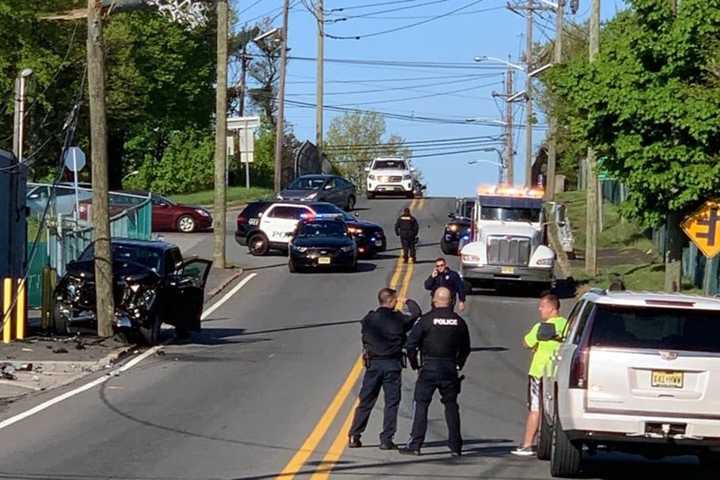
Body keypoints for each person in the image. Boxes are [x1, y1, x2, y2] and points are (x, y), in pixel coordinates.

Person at [399, 287, 471, 457]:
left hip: (429, 367)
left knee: (421, 405)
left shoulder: (426, 321)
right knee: (451, 406)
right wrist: (458, 364)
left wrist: (415, 364)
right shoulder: (459, 321)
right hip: (449, 368)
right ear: (451, 301)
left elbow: (411, 345)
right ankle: (455, 446)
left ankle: (416, 444)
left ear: (434, 300)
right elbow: (466, 348)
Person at [348, 288, 422, 450]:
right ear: (391, 301)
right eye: (395, 300)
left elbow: (364, 330)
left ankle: (355, 435)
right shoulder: (399, 319)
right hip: (392, 365)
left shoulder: (369, 319)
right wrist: (407, 301)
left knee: (366, 401)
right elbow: (416, 313)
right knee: (391, 403)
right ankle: (386, 439)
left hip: (373, 365)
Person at [512, 292, 568, 456]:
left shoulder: (540, 327)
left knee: (535, 408)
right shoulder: (568, 326)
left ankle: (528, 444)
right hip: (558, 374)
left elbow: (526, 342)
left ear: (551, 308)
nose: (539, 309)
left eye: (542, 306)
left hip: (538, 373)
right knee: (556, 410)